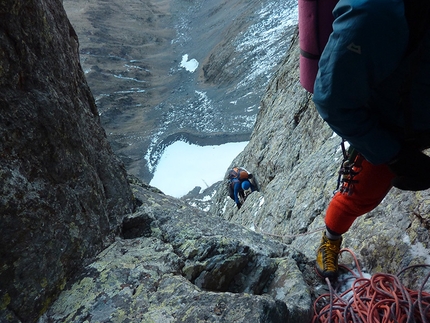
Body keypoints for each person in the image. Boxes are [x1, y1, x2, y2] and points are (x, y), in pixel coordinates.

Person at [312, 0, 430, 279]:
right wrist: (394, 154)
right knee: (359, 196)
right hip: (392, 125)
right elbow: (332, 100)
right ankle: (330, 239)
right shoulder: (372, 12)